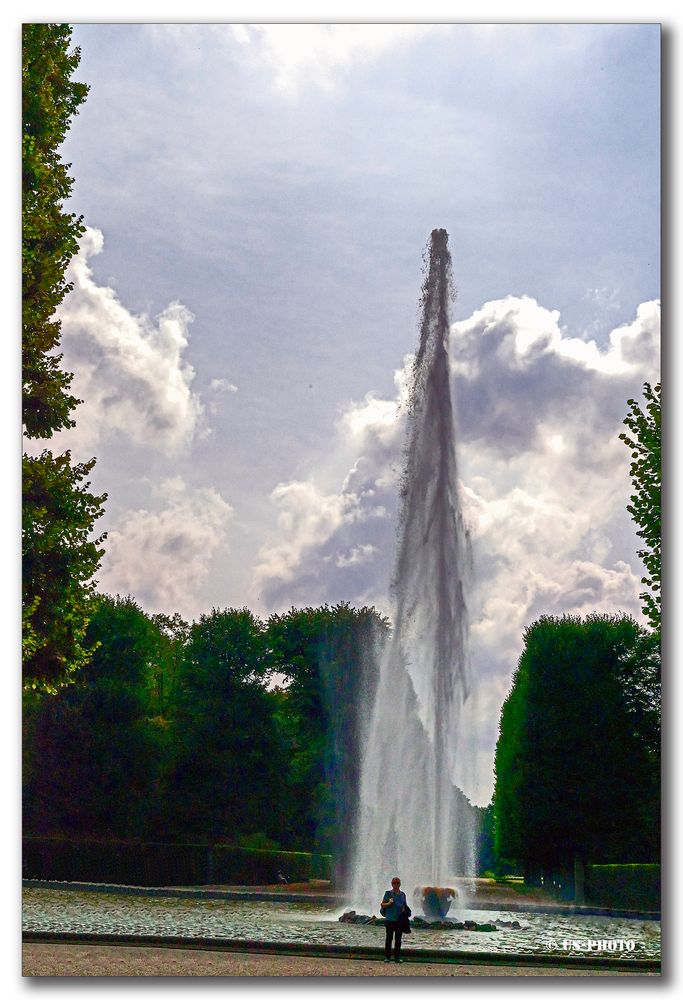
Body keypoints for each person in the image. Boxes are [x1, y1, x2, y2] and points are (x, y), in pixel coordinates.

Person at [380, 876, 407, 963]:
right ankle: (387, 957)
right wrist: (389, 903)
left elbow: (405, 906)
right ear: (392, 884)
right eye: (394, 883)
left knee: (398, 940)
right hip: (390, 920)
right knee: (389, 939)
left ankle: (397, 957)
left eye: (397, 883)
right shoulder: (388, 893)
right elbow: (382, 905)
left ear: (400, 884)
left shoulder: (403, 895)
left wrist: (404, 909)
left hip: (399, 920)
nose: (396, 884)